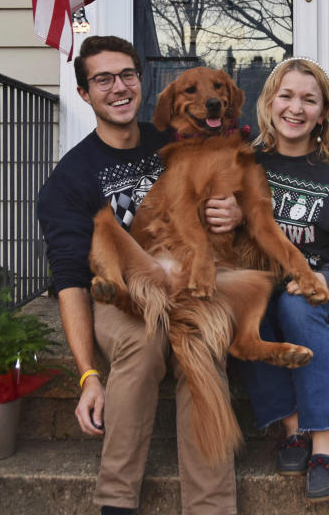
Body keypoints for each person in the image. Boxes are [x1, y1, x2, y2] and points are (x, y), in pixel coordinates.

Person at [37, 35, 242, 515]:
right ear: (85, 94)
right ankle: (116, 501)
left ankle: (211, 507)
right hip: (122, 294)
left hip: (189, 284)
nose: (119, 87)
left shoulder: (176, 140)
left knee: (200, 347)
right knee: (144, 345)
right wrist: (89, 374)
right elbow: (69, 281)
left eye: (127, 75)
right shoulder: (70, 180)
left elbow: (226, 187)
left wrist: (231, 210)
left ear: (140, 81)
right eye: (103, 79)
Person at [233, 57, 329, 503]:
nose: (295, 108)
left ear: (323, 112)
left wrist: (327, 278)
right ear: (269, 103)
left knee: (295, 301)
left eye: (309, 99)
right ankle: (291, 425)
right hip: (268, 311)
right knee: (244, 304)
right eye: (286, 96)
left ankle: (325, 439)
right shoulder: (247, 165)